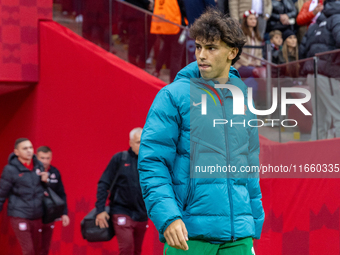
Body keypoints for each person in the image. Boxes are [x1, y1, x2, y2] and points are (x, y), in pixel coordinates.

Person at [138, 7, 264, 255]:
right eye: (198, 47)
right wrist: (168, 217)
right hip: (188, 235)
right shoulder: (172, 96)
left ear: (232, 52)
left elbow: (249, 166)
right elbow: (153, 163)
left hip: (238, 238)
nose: (201, 55)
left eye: (211, 48)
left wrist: (252, 225)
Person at [95, 128, 148, 255]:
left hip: (142, 214)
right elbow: (104, 183)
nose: (142, 146)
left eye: (145, 142)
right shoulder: (120, 159)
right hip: (121, 211)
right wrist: (100, 210)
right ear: (130, 143)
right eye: (138, 142)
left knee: (136, 251)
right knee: (127, 249)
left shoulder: (150, 163)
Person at [300, 0, 340, 139]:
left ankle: (316, 158)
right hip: (328, 74)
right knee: (338, 117)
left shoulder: (315, 24)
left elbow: (302, 51)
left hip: (312, 74)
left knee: (320, 122)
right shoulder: (337, 18)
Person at [0, 138, 48, 255]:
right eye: (25, 148)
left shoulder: (38, 166)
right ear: (16, 152)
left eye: (30, 148)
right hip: (19, 214)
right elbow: (2, 192)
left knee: (38, 250)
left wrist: (45, 182)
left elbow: (44, 190)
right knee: (29, 250)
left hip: (37, 215)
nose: (29, 151)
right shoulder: (10, 170)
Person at [36, 146, 70, 255]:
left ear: (51, 158)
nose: (45, 161)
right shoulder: (31, 172)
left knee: (45, 248)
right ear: (36, 158)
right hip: (34, 214)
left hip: (50, 215)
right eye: (42, 158)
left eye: (47, 158)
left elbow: (61, 194)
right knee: (33, 248)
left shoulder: (55, 172)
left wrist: (64, 213)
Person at [234, 9, 263, 100]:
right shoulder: (240, 35)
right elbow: (238, 54)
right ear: (246, 20)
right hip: (241, 65)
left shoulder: (257, 36)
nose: (253, 21)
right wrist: (249, 63)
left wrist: (257, 62)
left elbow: (259, 54)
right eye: (251, 19)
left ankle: (244, 97)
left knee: (256, 77)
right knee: (256, 74)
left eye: (254, 19)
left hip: (254, 66)